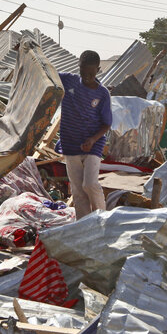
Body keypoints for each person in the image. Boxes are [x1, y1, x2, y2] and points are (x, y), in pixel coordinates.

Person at [57, 50, 112, 220]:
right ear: (78, 67)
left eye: (90, 72)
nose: (86, 76)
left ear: (98, 69)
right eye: (83, 72)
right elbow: (43, 71)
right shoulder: (69, 81)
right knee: (78, 190)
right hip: (71, 143)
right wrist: (25, 52)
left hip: (93, 144)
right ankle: (83, 225)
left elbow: (107, 123)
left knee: (90, 184)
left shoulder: (102, 94)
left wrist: (93, 139)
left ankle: (100, 218)